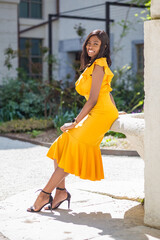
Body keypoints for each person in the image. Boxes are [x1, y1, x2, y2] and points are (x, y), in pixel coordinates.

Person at [27, 29, 119, 212]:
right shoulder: (92, 65)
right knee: (60, 146)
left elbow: (93, 99)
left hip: (100, 114)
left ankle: (44, 195)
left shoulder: (100, 64)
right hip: (98, 111)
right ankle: (60, 191)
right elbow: (107, 91)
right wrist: (116, 110)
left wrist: (75, 122)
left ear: (104, 47)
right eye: (89, 43)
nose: (90, 46)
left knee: (71, 153)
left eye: (96, 43)